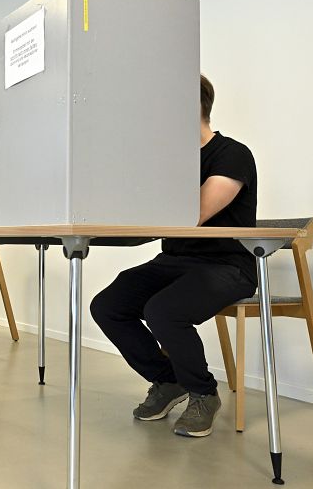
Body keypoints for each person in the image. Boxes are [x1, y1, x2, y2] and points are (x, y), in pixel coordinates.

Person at [90, 75, 257, 438]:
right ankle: (168, 381)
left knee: (163, 310)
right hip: (174, 262)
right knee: (108, 305)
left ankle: (203, 392)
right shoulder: (168, 161)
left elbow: (193, 214)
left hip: (227, 264)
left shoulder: (232, 154)